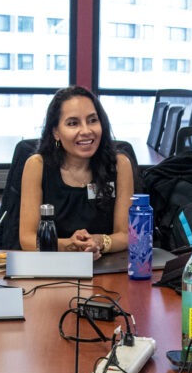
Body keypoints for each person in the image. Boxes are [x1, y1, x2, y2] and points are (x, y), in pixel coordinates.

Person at [18, 86, 133, 254]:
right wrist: (70, 245)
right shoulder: (37, 166)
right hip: (53, 267)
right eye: (73, 123)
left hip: (107, 266)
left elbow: (126, 235)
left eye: (93, 120)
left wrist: (99, 242)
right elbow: (27, 239)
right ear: (56, 132)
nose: (86, 131)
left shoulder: (119, 165)